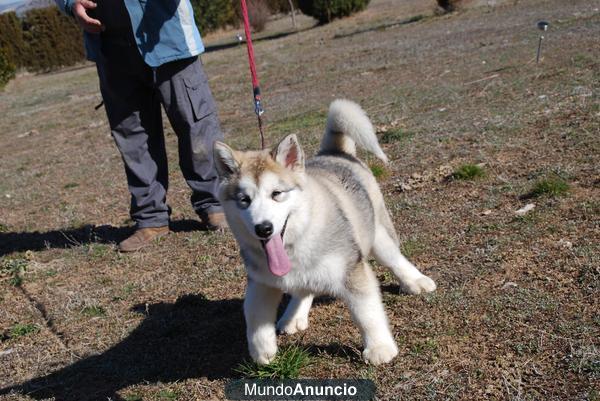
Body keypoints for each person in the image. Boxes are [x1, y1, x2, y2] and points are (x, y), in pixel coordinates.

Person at [54, 0, 227, 252]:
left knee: (195, 123)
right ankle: (151, 219)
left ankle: (216, 205)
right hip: (110, 43)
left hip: (168, 32)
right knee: (132, 134)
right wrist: (71, 4)